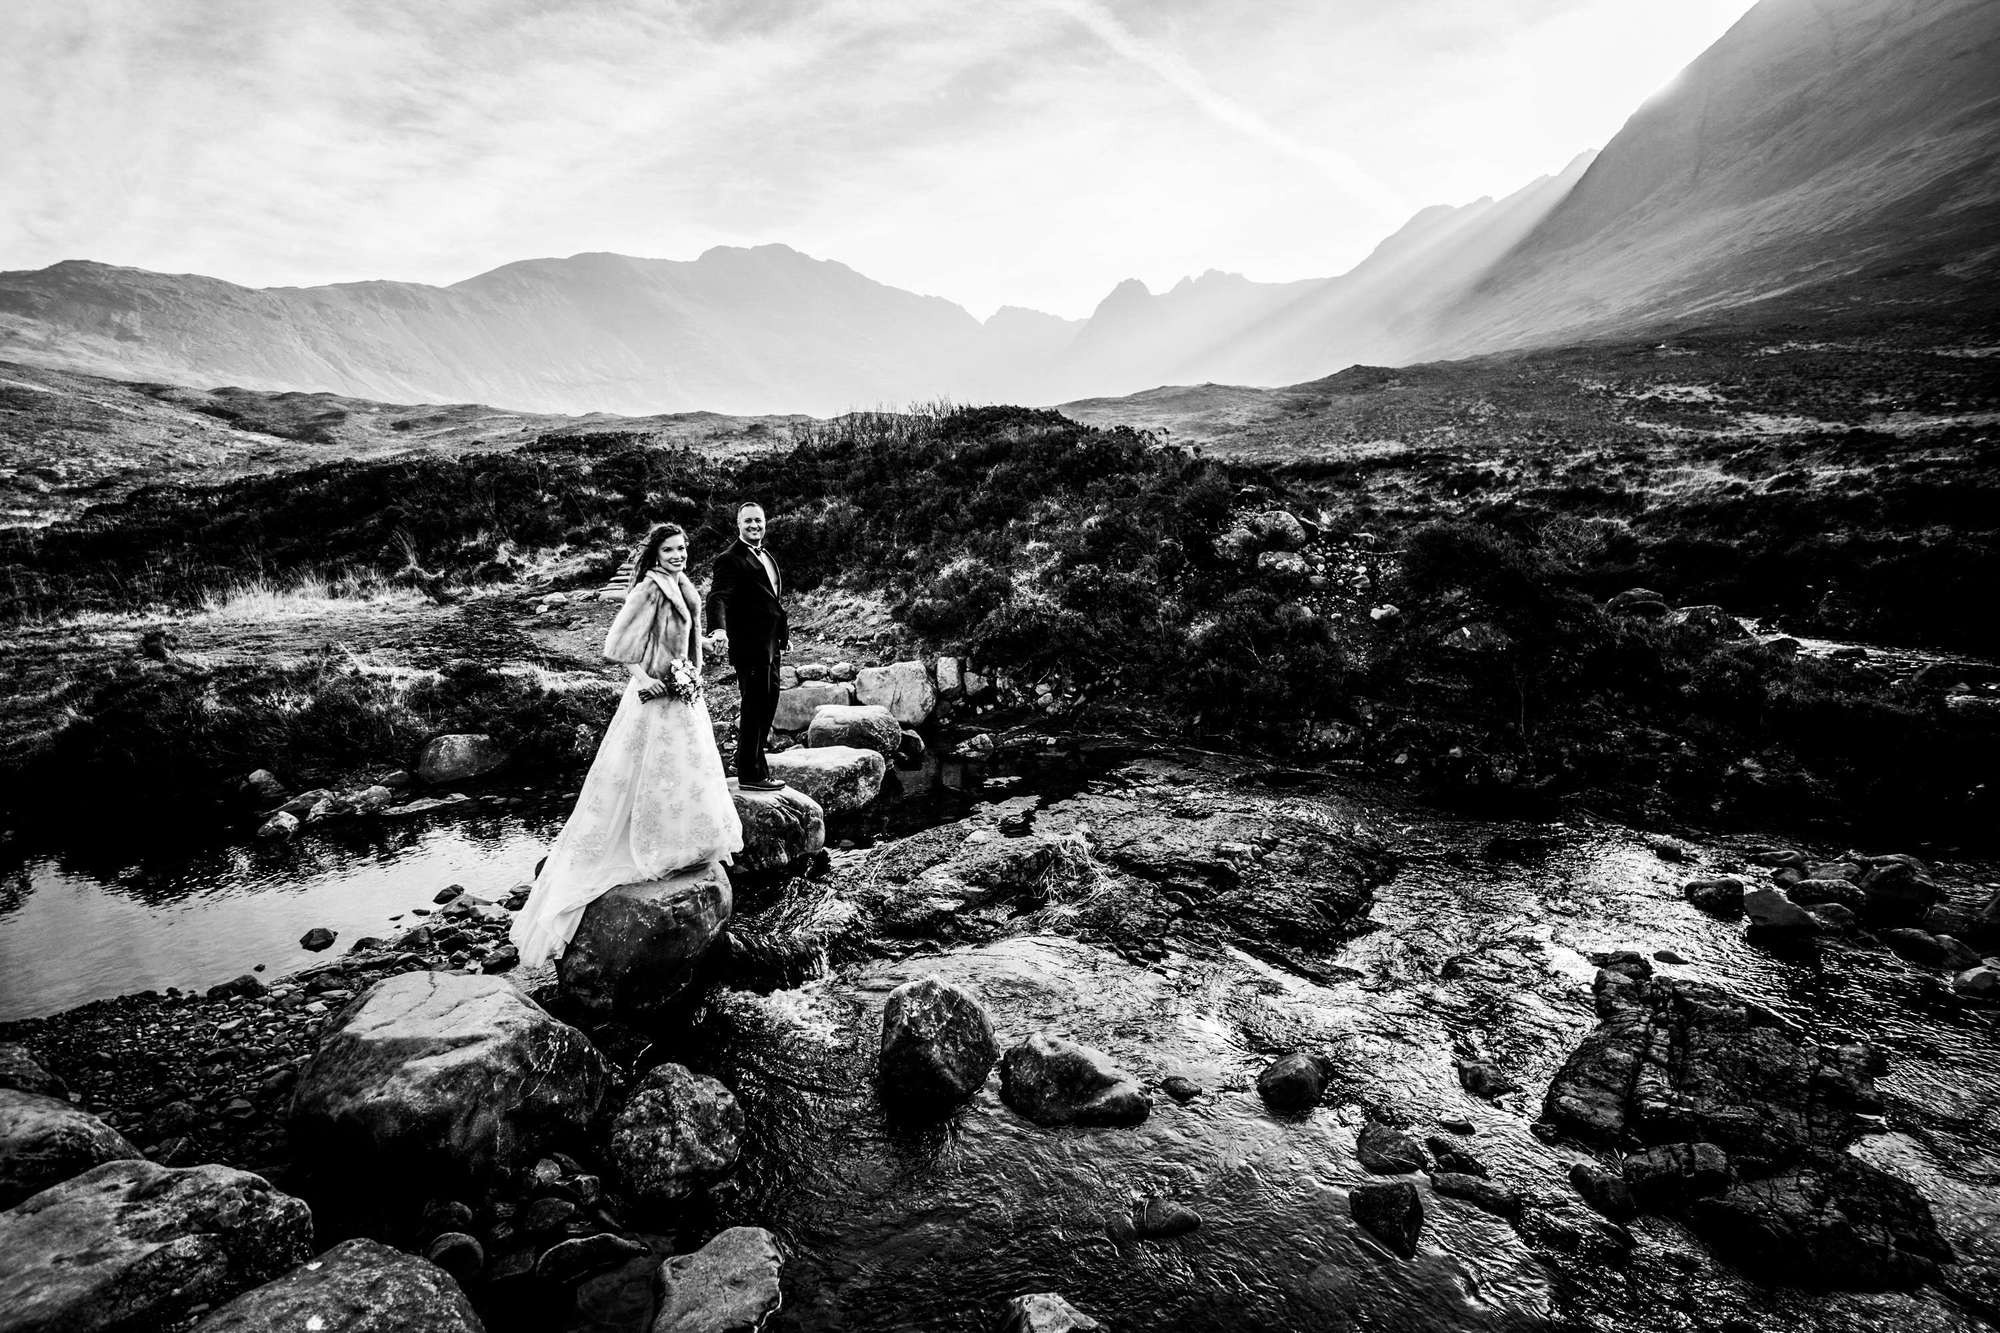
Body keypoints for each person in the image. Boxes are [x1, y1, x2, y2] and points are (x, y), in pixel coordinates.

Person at [511, 523, 744, 967]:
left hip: (684, 694)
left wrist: (696, 659)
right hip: (656, 697)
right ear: (655, 554)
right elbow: (617, 646)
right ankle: (654, 847)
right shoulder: (649, 589)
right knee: (651, 772)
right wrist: (645, 680)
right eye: (670, 550)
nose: (678, 555)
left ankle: (685, 842)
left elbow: (682, 637)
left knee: (685, 771)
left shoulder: (683, 584)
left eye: (682, 548)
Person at [706, 501, 789, 791]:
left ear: (765, 522)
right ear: (738, 525)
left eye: (758, 520)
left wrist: (782, 637)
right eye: (748, 521)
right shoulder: (729, 558)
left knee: (769, 703)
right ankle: (750, 775)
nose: (754, 525)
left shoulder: (766, 555)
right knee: (754, 707)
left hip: (770, 644)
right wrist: (718, 630)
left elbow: (770, 600)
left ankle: (752, 764)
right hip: (749, 646)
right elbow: (717, 596)